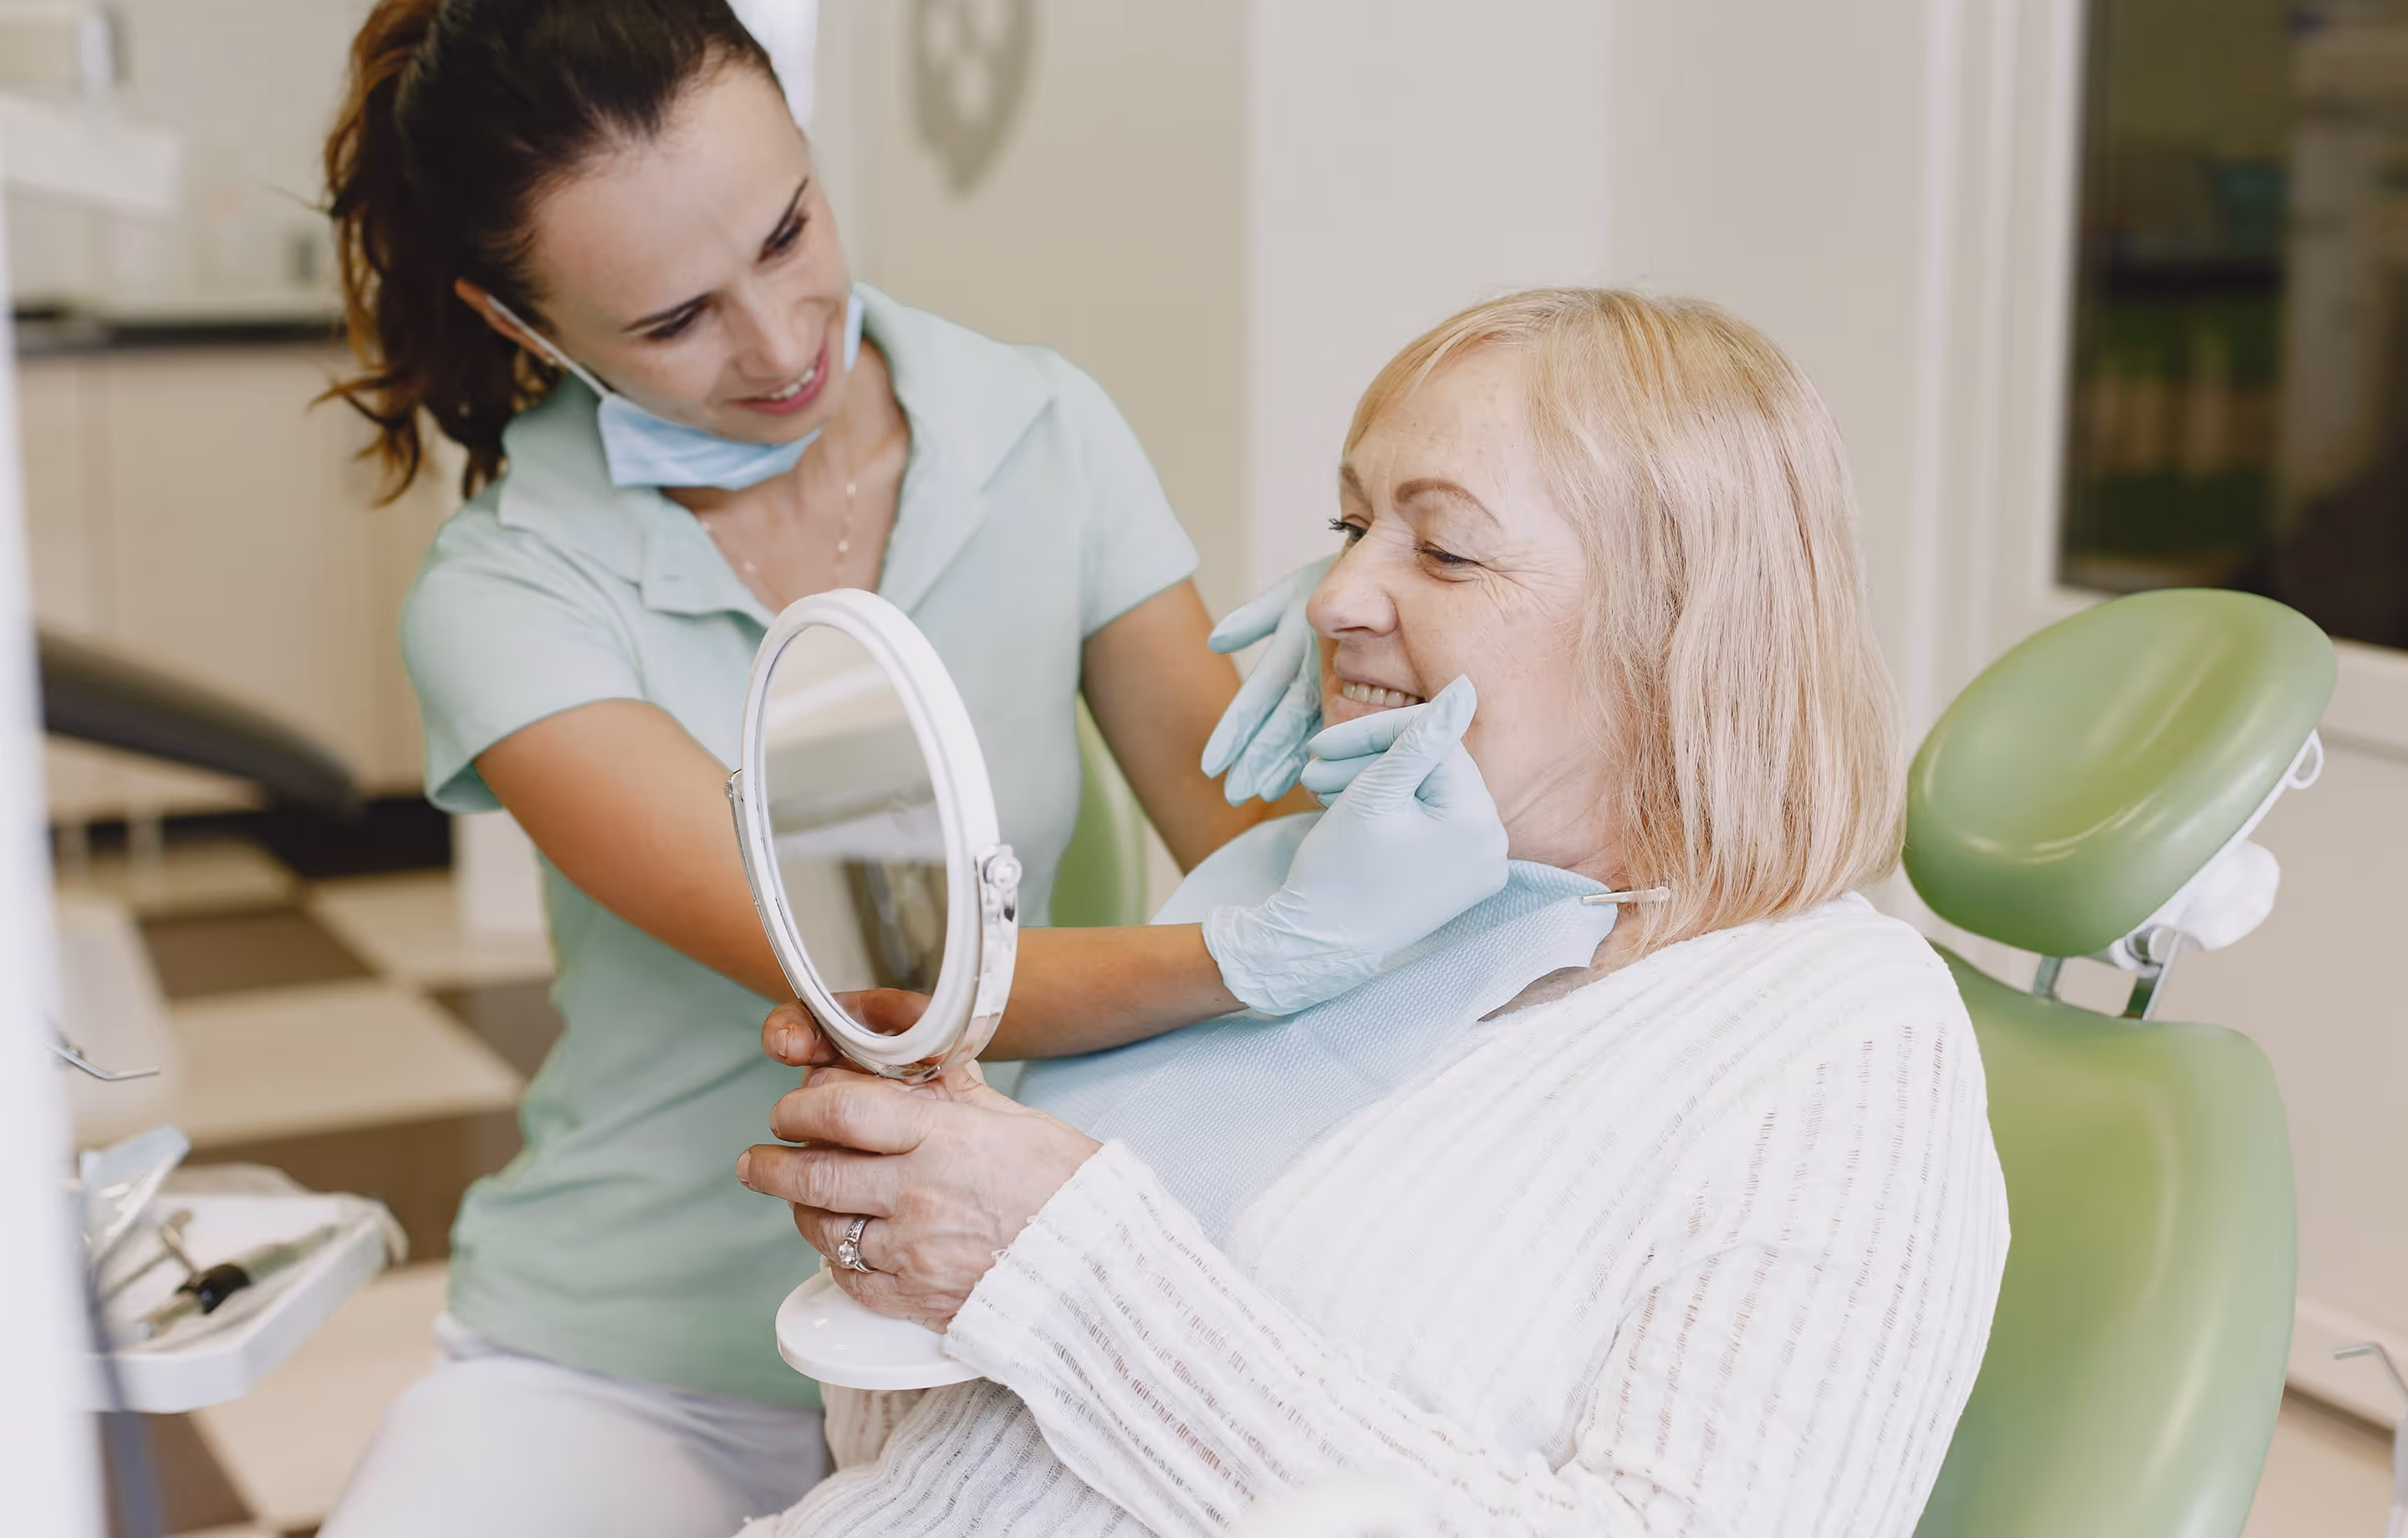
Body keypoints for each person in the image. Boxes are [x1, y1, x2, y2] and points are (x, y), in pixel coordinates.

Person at [314, 0, 1505, 1534]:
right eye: (674, 319)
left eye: (790, 228)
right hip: (651, 1357)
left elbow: (1245, 819)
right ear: (513, 320)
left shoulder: (1039, 429)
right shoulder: (513, 590)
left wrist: (1379, 676)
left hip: (1003, 1316)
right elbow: (871, 975)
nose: (779, 339)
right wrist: (1263, 953)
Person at [737, 288, 2013, 1535]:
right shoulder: (1343, 903)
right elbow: (925, 1466)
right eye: (1348, 526)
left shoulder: (1840, 1044)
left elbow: (1079, 1303)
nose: (1330, 599)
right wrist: (916, 1223)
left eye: (1445, 546)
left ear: (1681, 631)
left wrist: (1055, 1259)